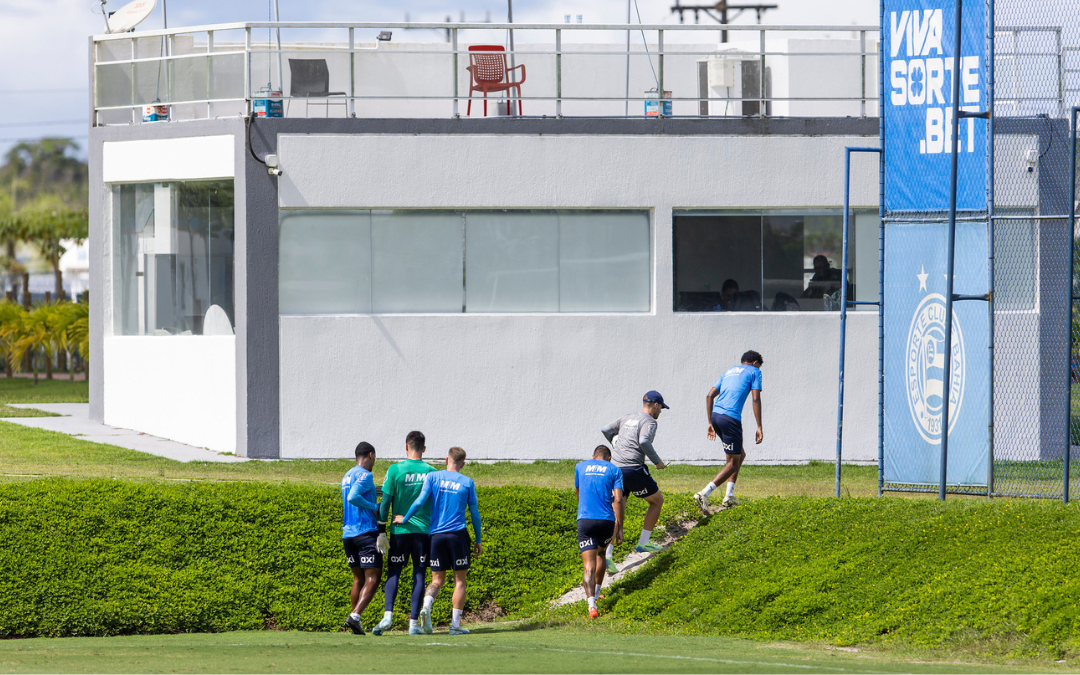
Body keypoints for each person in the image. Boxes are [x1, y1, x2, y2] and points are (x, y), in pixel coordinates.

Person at [395, 446, 481, 636]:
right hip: (457, 535)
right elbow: (474, 514)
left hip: (435, 536)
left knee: (437, 580)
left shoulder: (433, 477)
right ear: (463, 464)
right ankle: (455, 626)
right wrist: (478, 539)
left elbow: (419, 501)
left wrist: (405, 518)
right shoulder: (467, 482)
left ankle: (426, 606)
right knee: (460, 581)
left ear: (446, 460)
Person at [371, 430, 437, 636]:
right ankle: (413, 624)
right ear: (424, 448)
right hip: (422, 532)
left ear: (406, 446)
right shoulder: (432, 472)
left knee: (394, 572)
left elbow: (385, 503)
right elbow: (435, 504)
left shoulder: (395, 470)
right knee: (419, 574)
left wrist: (381, 531)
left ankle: (388, 616)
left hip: (399, 530)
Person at [601, 390, 668, 566]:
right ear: (655, 405)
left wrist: (614, 442)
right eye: (661, 407)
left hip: (614, 468)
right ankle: (644, 543)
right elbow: (644, 441)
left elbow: (606, 429)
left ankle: (608, 555)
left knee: (617, 507)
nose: (660, 411)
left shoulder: (627, 417)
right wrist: (657, 461)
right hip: (632, 468)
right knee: (657, 501)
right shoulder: (649, 421)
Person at [694, 351, 764, 514]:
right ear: (755, 363)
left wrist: (710, 422)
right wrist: (759, 426)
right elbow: (755, 398)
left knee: (739, 454)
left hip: (716, 416)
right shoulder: (755, 371)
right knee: (733, 462)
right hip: (730, 418)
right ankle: (704, 493)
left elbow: (709, 395)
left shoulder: (729, 371)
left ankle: (729, 495)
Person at [340, 441, 385, 635]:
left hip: (348, 534)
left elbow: (353, 495)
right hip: (365, 532)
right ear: (371, 455)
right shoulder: (366, 475)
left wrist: (373, 492)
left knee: (358, 579)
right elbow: (353, 497)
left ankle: (355, 622)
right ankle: (355, 616)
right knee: (373, 578)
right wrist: (375, 506)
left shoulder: (346, 475)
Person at [574, 445, 624, 619]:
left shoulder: (580, 466)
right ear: (609, 457)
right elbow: (618, 499)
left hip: (585, 519)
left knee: (588, 565)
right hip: (606, 521)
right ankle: (596, 592)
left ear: (593, 456)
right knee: (601, 555)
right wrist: (620, 527)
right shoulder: (615, 470)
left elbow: (578, 492)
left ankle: (591, 605)